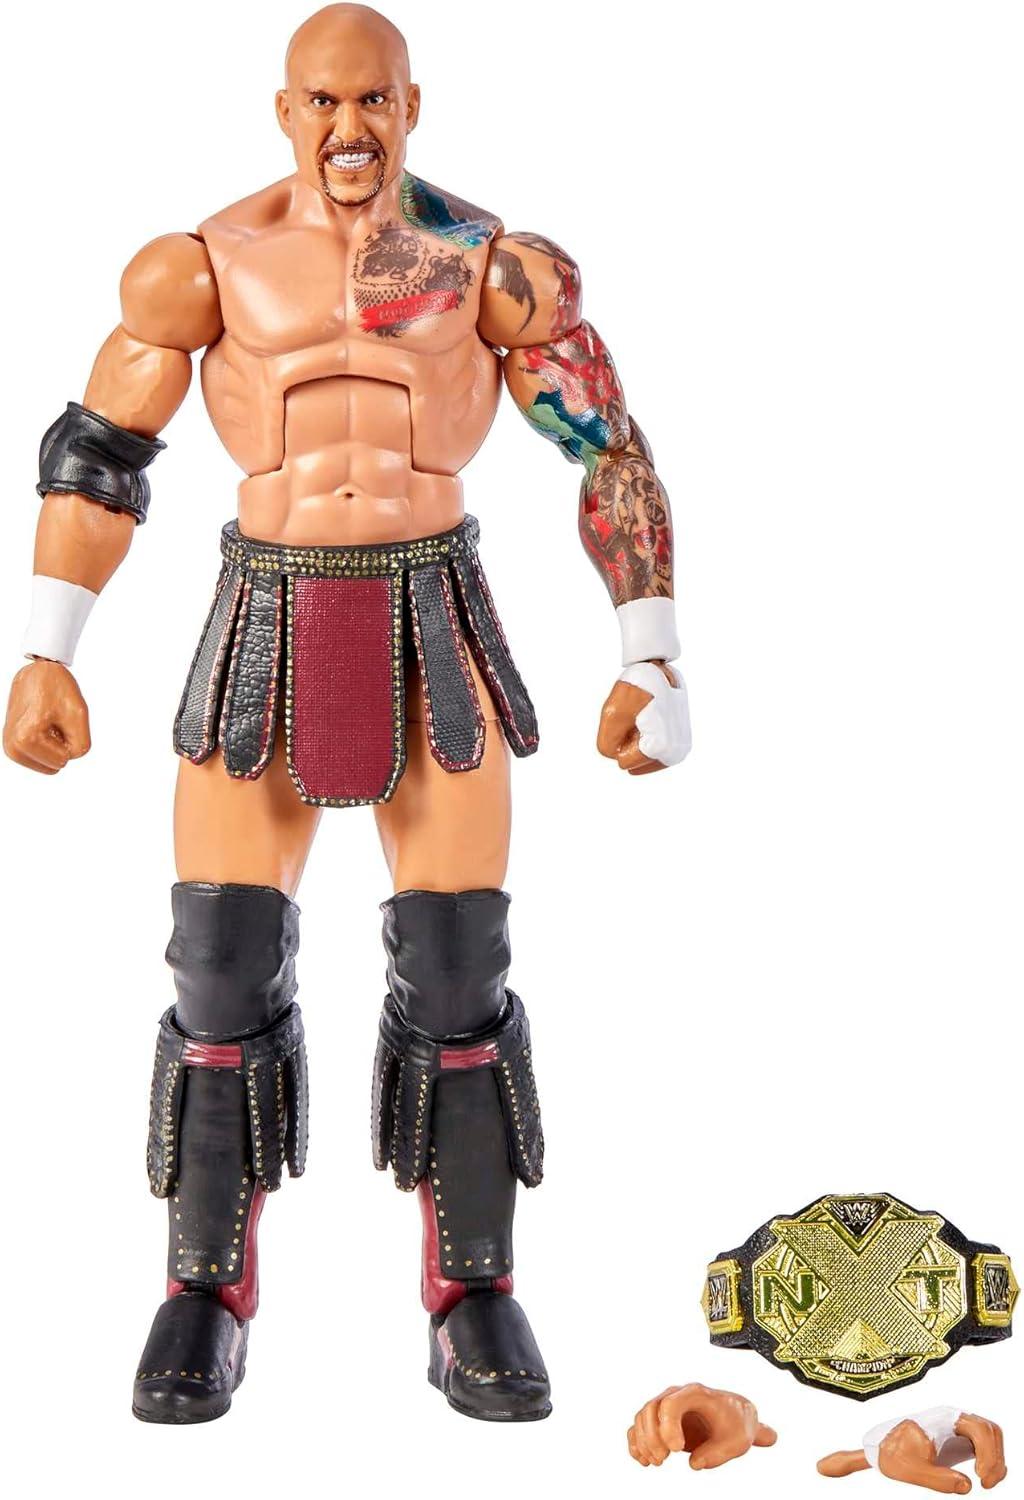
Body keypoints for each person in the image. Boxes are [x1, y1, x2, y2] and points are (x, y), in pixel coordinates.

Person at [4, 4, 690, 1425]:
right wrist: (47, 650)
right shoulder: (207, 264)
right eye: (322, 102)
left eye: (373, 99)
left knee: (458, 969)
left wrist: (654, 651)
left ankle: (472, 1290)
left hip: (434, 617)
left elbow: (607, 447)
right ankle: (204, 1290)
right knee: (217, 963)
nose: (349, 128)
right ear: (284, 112)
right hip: (264, 617)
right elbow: (100, 452)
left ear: (412, 105)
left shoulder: (485, 266)